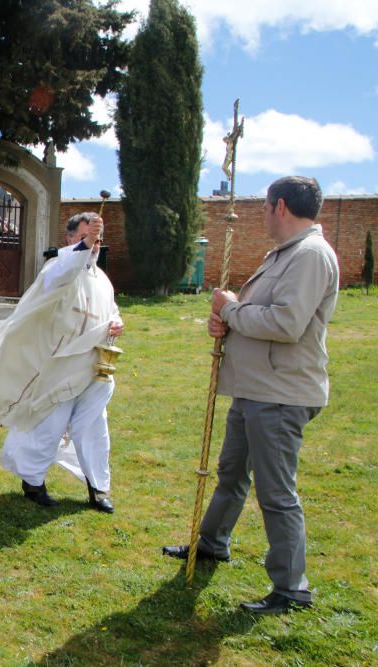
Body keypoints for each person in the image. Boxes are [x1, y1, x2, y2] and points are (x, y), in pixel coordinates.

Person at [163, 176, 339, 615]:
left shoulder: (311, 256)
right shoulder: (285, 254)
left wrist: (233, 311)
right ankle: (212, 544)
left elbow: (286, 323)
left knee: (276, 493)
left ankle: (291, 588)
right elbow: (254, 316)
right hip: (255, 389)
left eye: (264, 207)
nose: (261, 214)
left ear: (279, 206)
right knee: (231, 473)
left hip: (280, 395)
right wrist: (226, 320)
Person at [0, 212, 122, 512]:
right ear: (70, 239)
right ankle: (33, 481)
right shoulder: (58, 267)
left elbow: (111, 311)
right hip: (59, 367)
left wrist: (116, 324)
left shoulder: (102, 279)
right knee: (48, 426)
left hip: (93, 368)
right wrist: (84, 247)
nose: (94, 244)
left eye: (97, 239)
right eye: (86, 238)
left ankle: (98, 488)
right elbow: (63, 272)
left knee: (94, 429)